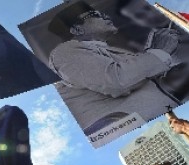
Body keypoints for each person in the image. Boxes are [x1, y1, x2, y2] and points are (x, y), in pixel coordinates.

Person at [48, 1, 182, 135]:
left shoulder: (106, 50)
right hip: (128, 132)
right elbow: (117, 80)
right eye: (95, 15)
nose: (106, 16)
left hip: (155, 121)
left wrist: (155, 53)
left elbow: (141, 77)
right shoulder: (65, 52)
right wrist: (159, 51)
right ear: (76, 29)